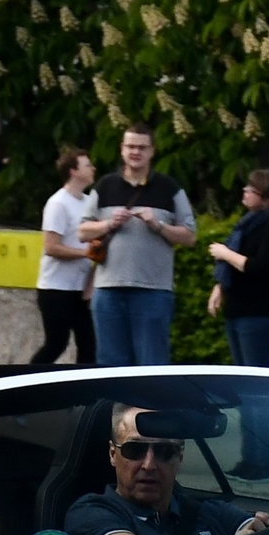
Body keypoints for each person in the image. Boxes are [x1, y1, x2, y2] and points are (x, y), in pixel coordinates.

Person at [66, 404, 269, 535]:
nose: (149, 465)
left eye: (165, 452)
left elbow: (260, 532)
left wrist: (259, 531)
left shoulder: (209, 512)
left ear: (180, 457)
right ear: (113, 454)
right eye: (135, 450)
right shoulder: (90, 513)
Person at [78, 123, 196, 365]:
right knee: (109, 364)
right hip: (108, 290)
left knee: (152, 363)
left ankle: (152, 404)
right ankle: (115, 405)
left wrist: (159, 225)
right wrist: (109, 223)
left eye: (142, 147)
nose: (136, 152)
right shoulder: (105, 185)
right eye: (130, 146)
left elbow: (190, 236)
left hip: (153, 291)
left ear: (152, 151)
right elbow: (82, 232)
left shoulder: (170, 189)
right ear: (122, 149)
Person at [208, 169, 269, 478]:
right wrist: (219, 289)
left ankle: (263, 460)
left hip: (259, 313)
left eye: (251, 188)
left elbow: (260, 266)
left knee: (257, 388)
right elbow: (233, 271)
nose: (244, 191)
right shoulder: (247, 224)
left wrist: (225, 253)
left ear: (266, 198)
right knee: (245, 388)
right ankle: (250, 456)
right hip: (239, 311)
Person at [35, 147, 99, 364]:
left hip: (80, 287)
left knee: (89, 344)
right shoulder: (58, 203)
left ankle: (84, 390)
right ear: (73, 171)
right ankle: (26, 380)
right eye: (87, 165)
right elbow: (51, 247)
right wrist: (85, 253)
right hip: (56, 287)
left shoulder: (89, 201)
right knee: (57, 343)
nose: (93, 169)